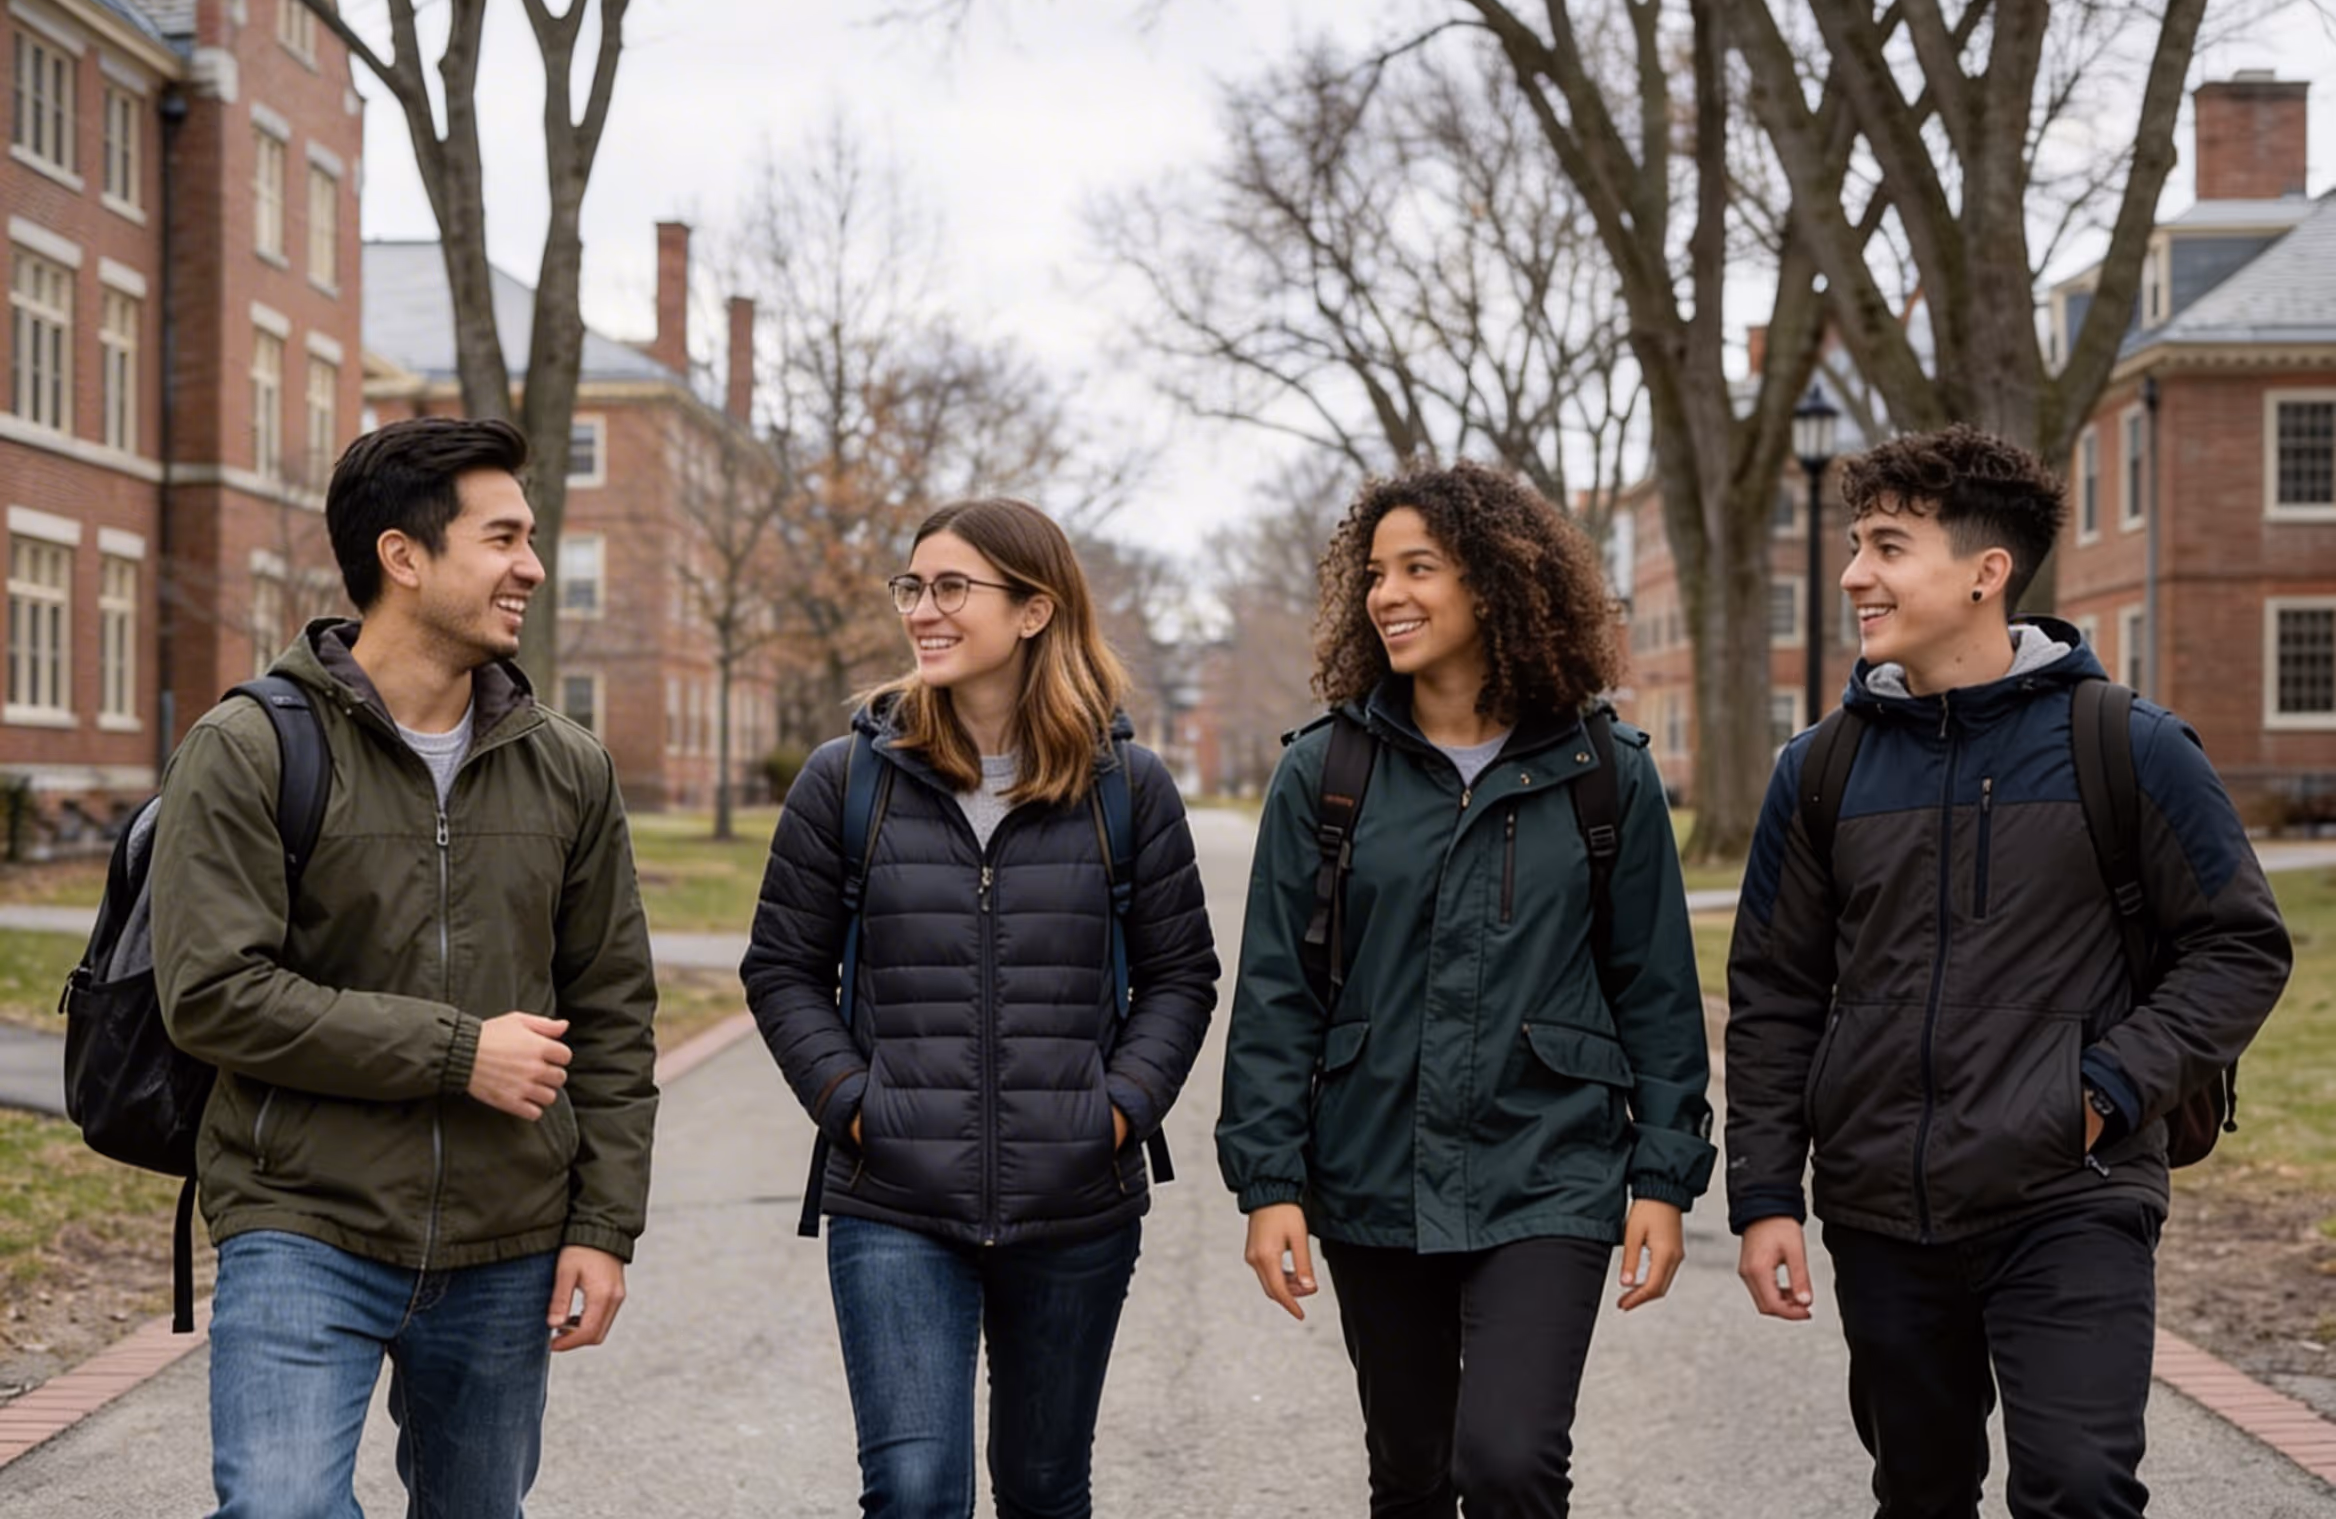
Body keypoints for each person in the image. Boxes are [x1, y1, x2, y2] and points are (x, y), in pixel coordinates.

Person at [1726, 425, 2293, 1519]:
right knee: (1921, 1491)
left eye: (1886, 546)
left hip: (2068, 1197)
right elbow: (1775, 991)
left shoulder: (2124, 744)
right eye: (1854, 544)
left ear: (1986, 574)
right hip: (1881, 1208)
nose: (1853, 574)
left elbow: (2237, 945)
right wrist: (1763, 1196)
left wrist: (2104, 1090)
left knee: (2077, 1487)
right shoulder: (1819, 770)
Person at [152, 416, 659, 1519]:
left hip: (508, 1236)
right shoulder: (248, 748)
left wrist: (602, 1227)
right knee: (278, 1508)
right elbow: (210, 995)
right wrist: (457, 1051)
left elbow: (613, 1013)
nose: (531, 564)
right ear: (403, 556)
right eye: (503, 538)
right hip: (302, 1219)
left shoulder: (566, 768)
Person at [1217, 463, 1715, 1519]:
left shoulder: (1602, 770)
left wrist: (1662, 1180)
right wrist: (1268, 1183)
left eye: (1417, 569)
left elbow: (1657, 993)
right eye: (1374, 573)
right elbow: (1277, 994)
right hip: (1369, 1168)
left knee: (1507, 1462)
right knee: (1410, 1474)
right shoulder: (1326, 771)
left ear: (1491, 585)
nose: (1385, 594)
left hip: (1549, 1169)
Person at [742, 497, 1218, 1519]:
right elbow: (781, 969)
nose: (922, 610)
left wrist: (1116, 1110)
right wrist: (853, 1104)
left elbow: (1181, 974)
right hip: (894, 1197)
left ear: (1034, 610)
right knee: (913, 1491)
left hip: (1076, 1200)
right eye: (911, 587)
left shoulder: (1125, 788)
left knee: (1044, 1487)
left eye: (951, 587)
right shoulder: (846, 782)